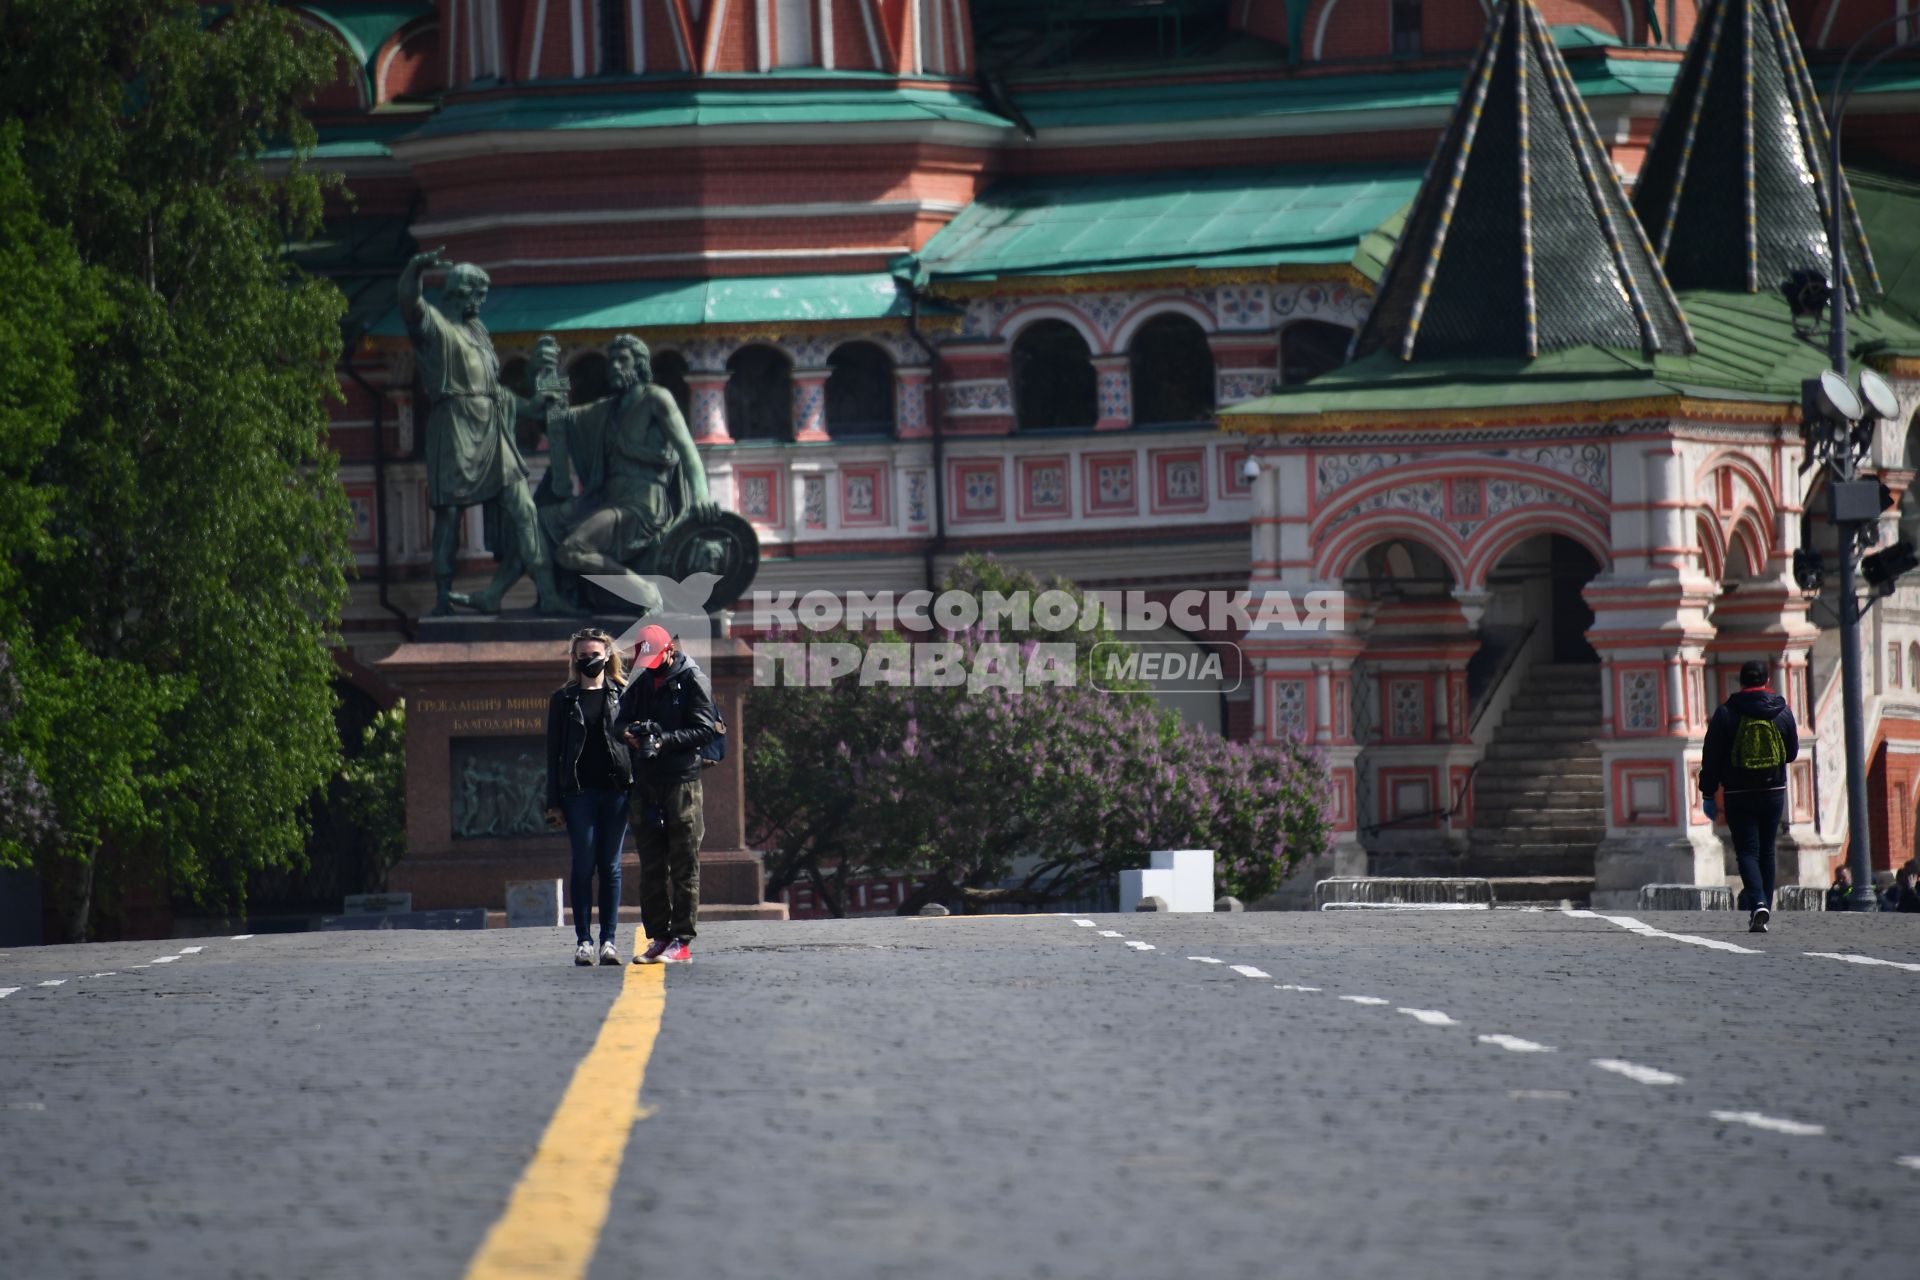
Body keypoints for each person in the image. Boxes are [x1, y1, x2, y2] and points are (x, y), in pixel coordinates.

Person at [617, 623, 718, 965]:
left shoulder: (692, 679)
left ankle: (682, 940)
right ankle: (659, 936)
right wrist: (629, 733)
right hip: (646, 782)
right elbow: (619, 721)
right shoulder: (640, 679)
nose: (650, 666)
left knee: (684, 862)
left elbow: (705, 728)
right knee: (651, 864)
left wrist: (665, 740)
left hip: (681, 781)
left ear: (670, 651)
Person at [545, 628, 634, 966]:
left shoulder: (623, 694)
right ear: (575, 659)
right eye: (582, 656)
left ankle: (608, 941)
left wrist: (639, 787)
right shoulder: (564, 699)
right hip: (578, 793)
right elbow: (553, 753)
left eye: (594, 655)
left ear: (608, 656)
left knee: (610, 867)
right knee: (583, 864)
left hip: (616, 791)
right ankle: (583, 941)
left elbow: (633, 745)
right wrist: (553, 801)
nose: (588, 660)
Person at [1698, 659, 1800, 934]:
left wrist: (1708, 792)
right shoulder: (1782, 711)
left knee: (1746, 850)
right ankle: (1763, 904)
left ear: (1740, 682)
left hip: (1738, 793)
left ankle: (1757, 903)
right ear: (1767, 681)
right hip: (1773, 791)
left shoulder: (1727, 712)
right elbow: (1791, 753)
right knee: (1767, 850)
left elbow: (1712, 756)